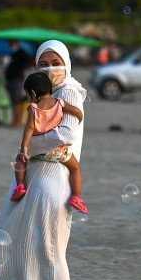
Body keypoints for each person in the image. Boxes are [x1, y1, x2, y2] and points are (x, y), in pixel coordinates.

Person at [0, 40, 86, 280]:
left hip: (52, 177)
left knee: (47, 250)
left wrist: (29, 146)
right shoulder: (42, 95)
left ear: (66, 62)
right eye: (44, 63)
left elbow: (65, 136)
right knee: (15, 246)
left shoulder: (70, 91)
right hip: (34, 176)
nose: (50, 68)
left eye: (55, 61)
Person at [11, 71, 88, 214]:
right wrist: (79, 117)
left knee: (19, 161)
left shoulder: (33, 109)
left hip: (36, 148)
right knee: (75, 168)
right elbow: (76, 111)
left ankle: (20, 186)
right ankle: (77, 197)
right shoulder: (60, 103)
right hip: (57, 150)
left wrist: (23, 149)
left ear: (33, 93)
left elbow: (29, 129)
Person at [4, 41, 32, 127]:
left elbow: (29, 62)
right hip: (12, 80)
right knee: (14, 101)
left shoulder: (21, 53)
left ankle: (17, 121)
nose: (11, 46)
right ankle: (15, 120)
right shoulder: (13, 54)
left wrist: (20, 68)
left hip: (17, 80)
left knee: (17, 101)